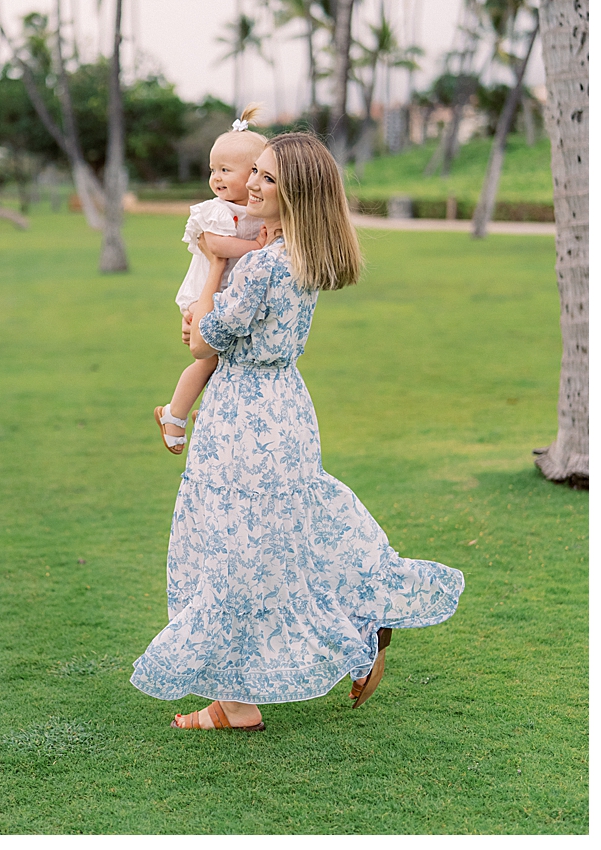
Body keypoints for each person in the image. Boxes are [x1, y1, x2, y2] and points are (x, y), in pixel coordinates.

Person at [130, 132, 464, 731]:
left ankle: (244, 698)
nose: (252, 184)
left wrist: (211, 266)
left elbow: (206, 341)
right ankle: (338, 628)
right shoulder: (302, 258)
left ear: (295, 194)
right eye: (252, 171)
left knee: (230, 545)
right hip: (284, 406)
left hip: (242, 412)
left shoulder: (258, 264)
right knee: (286, 528)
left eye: (268, 178)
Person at [154, 105, 269, 455]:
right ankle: (174, 413)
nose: (216, 178)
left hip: (228, 298)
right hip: (204, 295)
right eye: (213, 170)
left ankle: (208, 410)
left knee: (225, 358)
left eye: (225, 170)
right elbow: (216, 246)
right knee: (208, 359)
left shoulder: (253, 208)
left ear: (253, 173)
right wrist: (256, 246)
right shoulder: (217, 209)